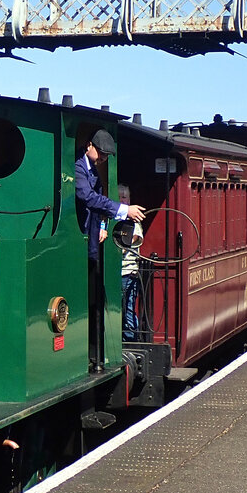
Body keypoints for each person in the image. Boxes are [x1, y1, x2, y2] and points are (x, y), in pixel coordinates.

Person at [75, 129, 146, 371]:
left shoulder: (91, 169)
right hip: (81, 240)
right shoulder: (78, 168)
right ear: (89, 146)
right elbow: (88, 198)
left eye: (106, 156)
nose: (103, 159)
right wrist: (125, 211)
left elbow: (99, 201)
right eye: (102, 154)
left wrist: (104, 224)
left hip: (92, 239)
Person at [117, 184, 144, 342]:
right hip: (116, 273)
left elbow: (129, 241)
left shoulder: (133, 221)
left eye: (124, 197)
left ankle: (131, 340)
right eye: (119, 196)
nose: (122, 199)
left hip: (128, 273)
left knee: (127, 308)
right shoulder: (112, 218)